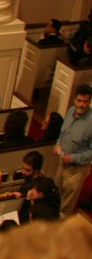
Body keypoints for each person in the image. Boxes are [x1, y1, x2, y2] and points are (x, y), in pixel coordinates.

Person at [55, 83, 92, 214]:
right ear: (74, 99)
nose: (82, 105)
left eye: (85, 101)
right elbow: (63, 132)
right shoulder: (71, 111)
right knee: (55, 196)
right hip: (61, 164)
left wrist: (72, 158)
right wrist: (58, 143)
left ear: (90, 101)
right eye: (79, 101)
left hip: (76, 170)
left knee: (65, 206)